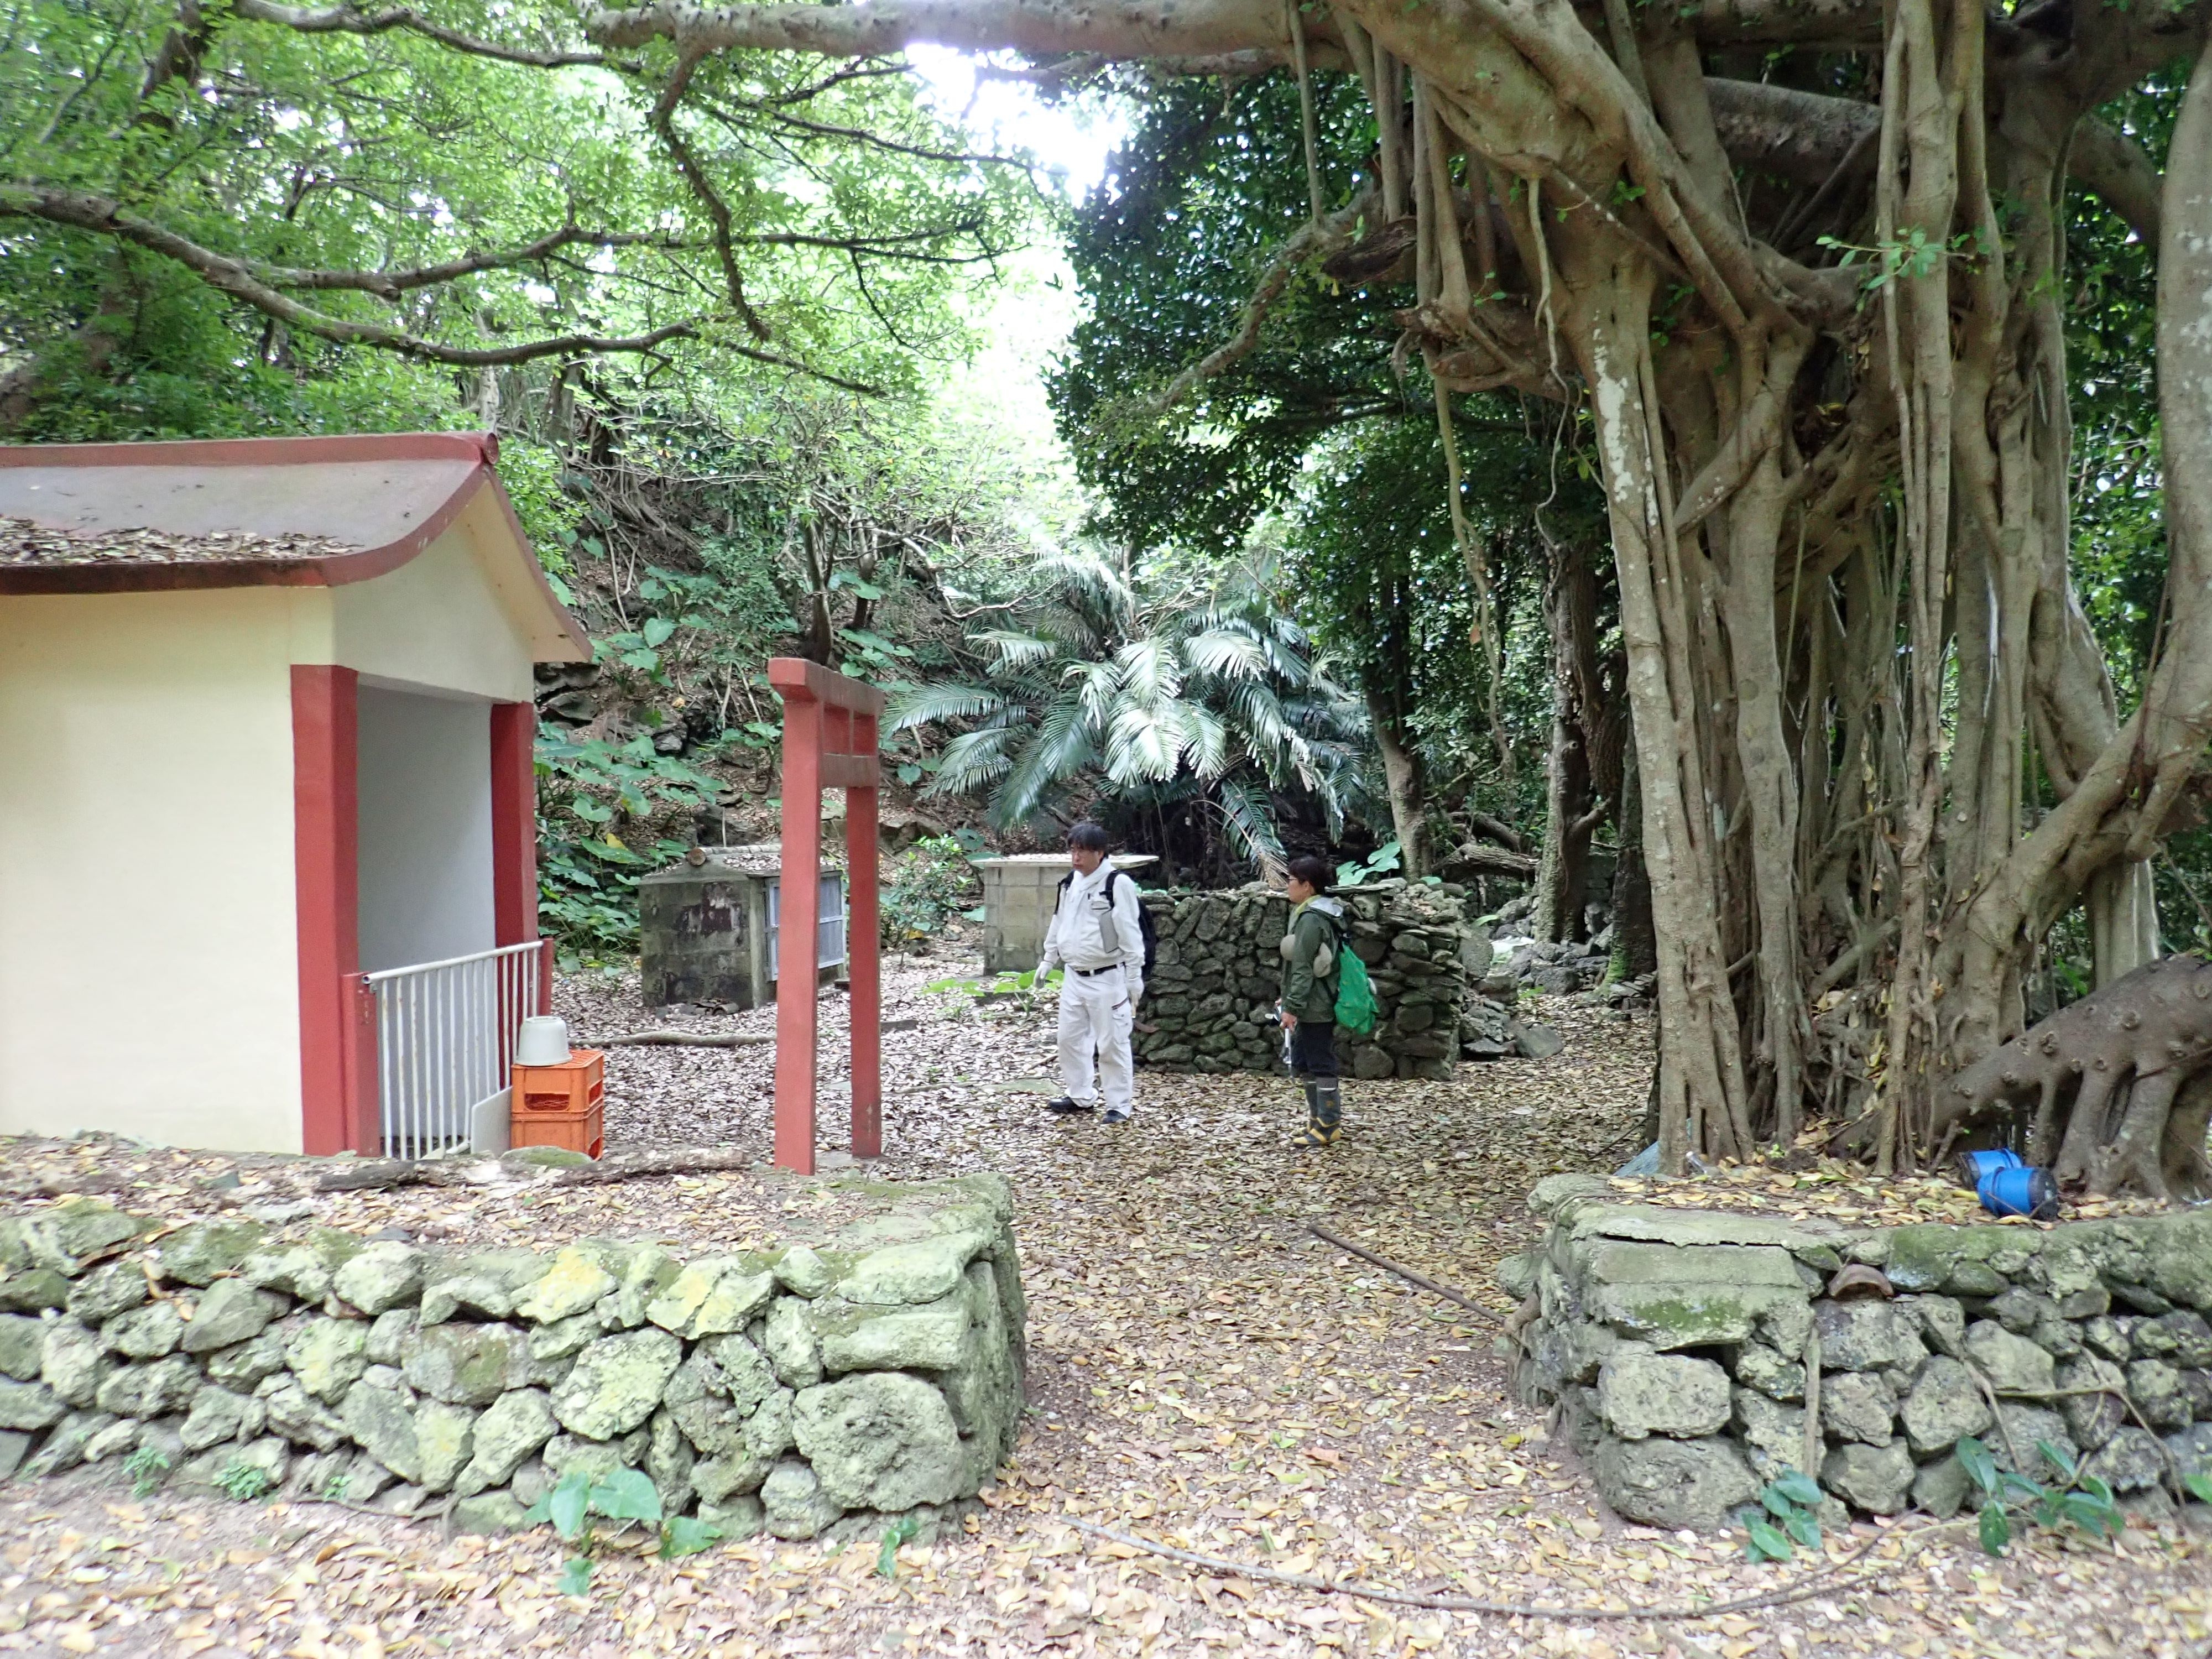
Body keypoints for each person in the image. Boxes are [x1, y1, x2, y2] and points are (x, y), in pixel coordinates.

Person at [1037, 822, 1145, 1124]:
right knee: (1069, 1040)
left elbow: (1130, 931)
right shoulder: (1070, 883)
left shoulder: (1117, 884)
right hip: (1074, 975)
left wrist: (1134, 975)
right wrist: (1049, 959)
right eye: (1073, 850)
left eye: (1083, 851)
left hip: (1107, 976)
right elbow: (1059, 921)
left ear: (1100, 853)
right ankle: (1080, 1095)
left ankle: (1119, 1105)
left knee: (1112, 1043)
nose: (1076, 858)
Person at [1278, 854, 1348, 1149]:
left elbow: (1303, 967)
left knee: (1320, 1062)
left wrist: (1292, 1007)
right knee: (1305, 1061)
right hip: (1311, 1001)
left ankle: (1329, 1124)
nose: (1288, 886)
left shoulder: (1311, 919)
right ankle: (1317, 1120)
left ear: (1307, 886)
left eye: (1291, 880)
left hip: (1314, 1005)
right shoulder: (1317, 912)